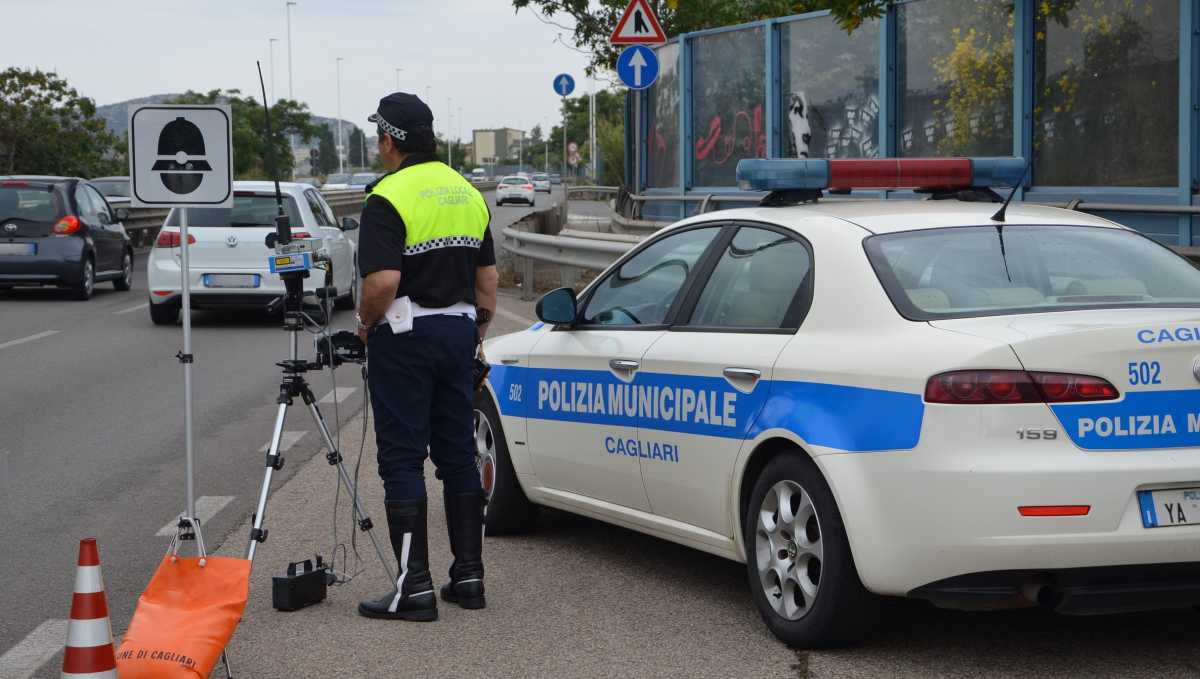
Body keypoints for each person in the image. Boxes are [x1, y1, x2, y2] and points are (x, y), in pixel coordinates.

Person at [354, 92, 498, 622]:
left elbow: (383, 281)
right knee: (458, 453)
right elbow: (487, 280)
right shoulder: (467, 192)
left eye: (378, 136)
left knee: (402, 458)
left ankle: (413, 587)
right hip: (459, 334)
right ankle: (469, 577)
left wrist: (368, 324)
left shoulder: (387, 197)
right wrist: (475, 331)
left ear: (390, 140)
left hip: (405, 337)